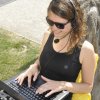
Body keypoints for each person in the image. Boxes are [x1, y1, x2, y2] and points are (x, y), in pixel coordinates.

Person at [16, 0, 96, 99]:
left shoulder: (86, 49)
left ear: (75, 23)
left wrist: (63, 85)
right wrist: (34, 66)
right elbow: (40, 60)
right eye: (50, 22)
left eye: (60, 25)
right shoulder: (47, 35)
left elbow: (88, 86)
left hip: (60, 96)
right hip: (37, 90)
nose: (53, 28)